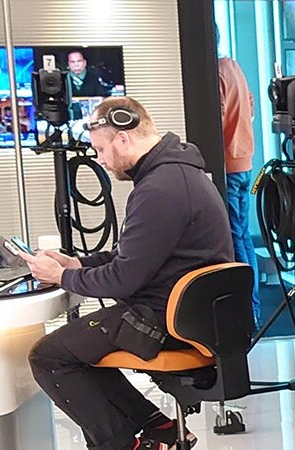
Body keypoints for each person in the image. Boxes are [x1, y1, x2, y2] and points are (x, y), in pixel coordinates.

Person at [18, 97, 233, 450]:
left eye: (101, 149)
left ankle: (122, 445)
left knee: (50, 357)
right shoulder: (178, 173)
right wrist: (78, 265)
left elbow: (123, 279)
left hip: (161, 320)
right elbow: (137, 255)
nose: (100, 160)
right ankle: (157, 426)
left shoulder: (159, 189)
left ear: (123, 138)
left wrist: (61, 278)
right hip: (184, 314)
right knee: (77, 349)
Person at [217, 56, 261, 325]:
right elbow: (251, 103)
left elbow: (217, 118)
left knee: (235, 239)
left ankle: (248, 313)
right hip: (244, 160)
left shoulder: (216, 73)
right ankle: (253, 311)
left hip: (228, 163)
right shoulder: (234, 66)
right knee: (243, 237)